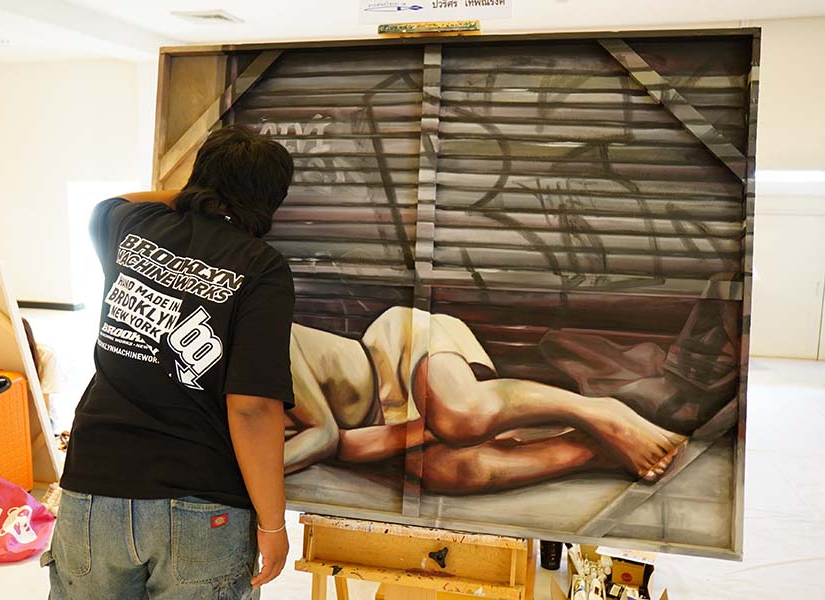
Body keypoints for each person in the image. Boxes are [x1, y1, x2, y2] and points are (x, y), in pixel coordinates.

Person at [45, 126, 295, 600]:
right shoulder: (261, 267)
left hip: (94, 487)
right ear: (272, 200)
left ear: (198, 176)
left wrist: (198, 195)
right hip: (201, 497)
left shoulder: (131, 226)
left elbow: (114, 200)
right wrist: (273, 523)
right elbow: (252, 407)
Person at [284, 306, 691, 494]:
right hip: (384, 424)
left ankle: (600, 411)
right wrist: (423, 433)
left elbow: (324, 436)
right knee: (447, 472)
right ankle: (589, 451)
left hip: (395, 350)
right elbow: (345, 446)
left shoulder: (270, 343)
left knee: (461, 416)